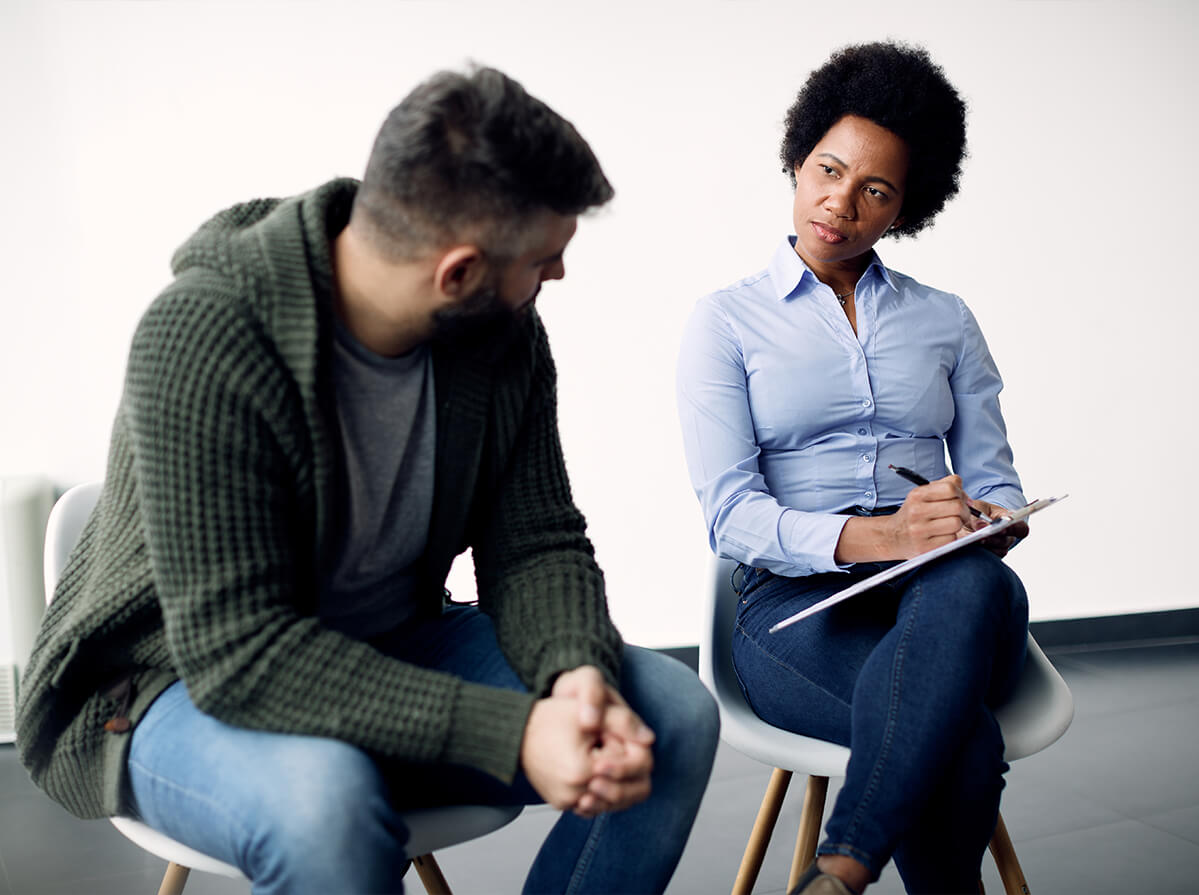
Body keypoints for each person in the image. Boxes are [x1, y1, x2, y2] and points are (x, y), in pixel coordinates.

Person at [18, 65, 718, 895]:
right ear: (456, 273)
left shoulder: (501, 335)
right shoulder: (205, 334)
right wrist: (516, 730)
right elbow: (241, 654)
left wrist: (576, 676)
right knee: (326, 803)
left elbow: (535, 542)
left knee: (667, 716)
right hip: (173, 680)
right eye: (544, 259)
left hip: (391, 637)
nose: (554, 278)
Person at [676, 42, 1030, 895]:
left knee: (972, 583)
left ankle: (837, 869)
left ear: (904, 207)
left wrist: (995, 517)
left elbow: (996, 475)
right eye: (827, 170)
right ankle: (849, 866)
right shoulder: (723, 322)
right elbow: (731, 517)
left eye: (875, 189)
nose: (840, 203)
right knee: (965, 743)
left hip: (944, 595)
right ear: (796, 162)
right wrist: (880, 535)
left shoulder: (944, 320)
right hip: (795, 609)